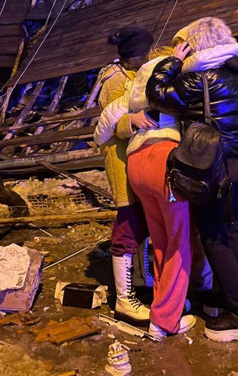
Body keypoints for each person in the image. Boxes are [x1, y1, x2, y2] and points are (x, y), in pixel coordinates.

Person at [146, 17, 238, 343]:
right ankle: (229, 295)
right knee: (230, 229)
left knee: (214, 236)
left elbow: (157, 95)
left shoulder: (200, 79)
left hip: (214, 167)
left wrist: (173, 62)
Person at [95, 47, 200, 337]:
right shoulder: (165, 77)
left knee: (161, 242)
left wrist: (129, 120)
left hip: (137, 164)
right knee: (178, 243)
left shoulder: (134, 84)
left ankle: (164, 303)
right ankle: (164, 321)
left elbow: (103, 126)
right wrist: (177, 63)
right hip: (163, 159)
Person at [96, 25, 155, 324]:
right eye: (144, 54)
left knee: (142, 222)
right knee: (128, 222)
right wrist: (134, 120)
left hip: (139, 159)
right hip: (121, 161)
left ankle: (141, 281)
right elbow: (112, 127)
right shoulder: (114, 79)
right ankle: (124, 298)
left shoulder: (134, 73)